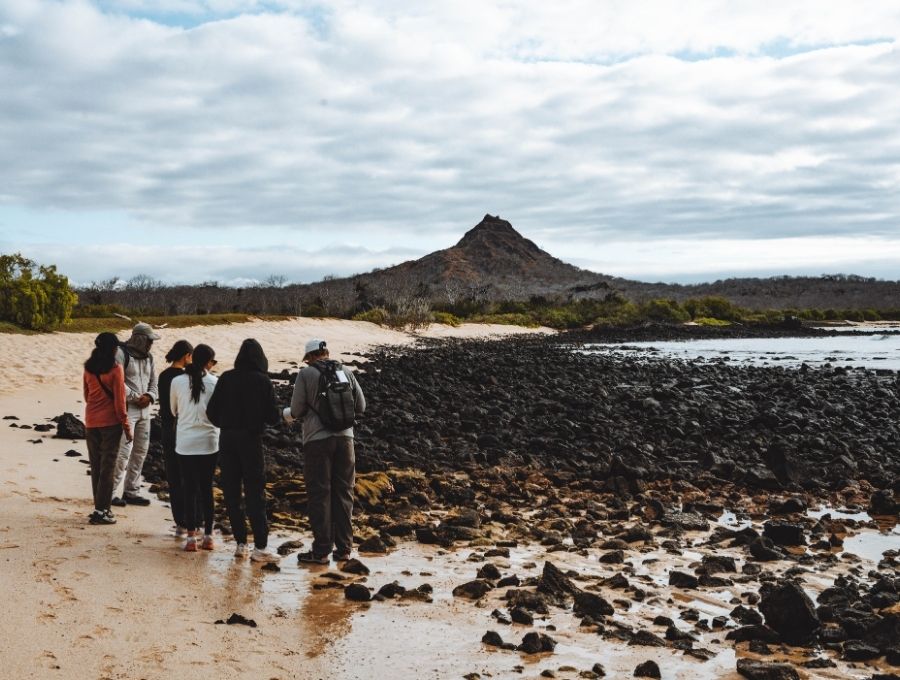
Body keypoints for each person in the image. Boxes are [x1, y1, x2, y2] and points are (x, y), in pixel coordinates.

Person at [287, 338, 366, 564]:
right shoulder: (346, 371)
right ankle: (344, 550)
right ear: (327, 353)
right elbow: (361, 406)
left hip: (317, 441)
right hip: (346, 439)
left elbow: (296, 409)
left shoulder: (306, 374)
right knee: (344, 493)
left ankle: (321, 551)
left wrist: (289, 415)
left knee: (320, 494)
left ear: (309, 357)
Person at [207, 339, 281, 563]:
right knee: (255, 492)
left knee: (231, 492)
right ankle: (260, 547)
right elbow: (274, 417)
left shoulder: (227, 378)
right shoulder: (262, 381)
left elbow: (211, 411)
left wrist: (226, 424)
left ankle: (240, 544)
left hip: (227, 439)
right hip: (251, 440)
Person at [170, 344, 219, 552]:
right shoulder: (215, 382)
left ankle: (191, 537)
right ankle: (208, 535)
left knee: (189, 488)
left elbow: (174, 411)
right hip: (209, 441)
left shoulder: (177, 381)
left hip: (186, 442)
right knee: (206, 489)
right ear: (208, 362)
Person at [83, 332, 134, 525]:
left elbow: (86, 395)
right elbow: (120, 403)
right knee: (108, 467)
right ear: (113, 349)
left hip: (91, 421)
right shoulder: (115, 369)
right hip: (110, 424)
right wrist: (126, 426)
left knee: (96, 466)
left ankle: (99, 508)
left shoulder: (88, 368)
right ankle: (102, 511)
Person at [111, 322, 160, 507]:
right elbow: (117, 380)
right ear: (140, 339)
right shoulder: (121, 354)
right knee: (123, 452)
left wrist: (150, 396)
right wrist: (134, 397)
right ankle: (111, 492)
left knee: (140, 451)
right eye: (148, 340)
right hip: (127, 410)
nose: (150, 344)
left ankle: (131, 491)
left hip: (145, 410)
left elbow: (154, 381)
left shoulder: (149, 358)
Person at [157, 339, 193, 537]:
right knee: (187, 477)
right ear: (187, 355)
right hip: (183, 430)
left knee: (173, 478)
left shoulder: (163, 376)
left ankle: (179, 522)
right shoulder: (185, 378)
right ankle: (191, 521)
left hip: (166, 430)